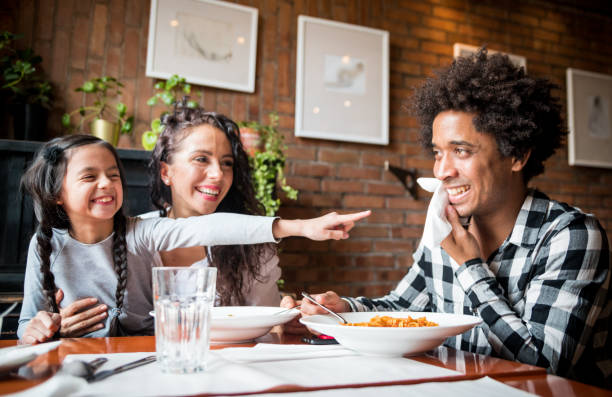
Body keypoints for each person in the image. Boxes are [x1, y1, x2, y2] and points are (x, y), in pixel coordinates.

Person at [282, 48, 611, 387]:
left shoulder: (570, 235)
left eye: (461, 151)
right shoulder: (444, 231)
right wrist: (343, 310)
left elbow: (543, 364)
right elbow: (404, 308)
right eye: (438, 153)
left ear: (516, 154)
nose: (442, 170)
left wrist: (470, 267)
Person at [18, 134, 370, 344]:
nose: (107, 184)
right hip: (82, 363)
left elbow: (213, 226)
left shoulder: (141, 232)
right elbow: (27, 327)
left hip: (148, 355)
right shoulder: (45, 245)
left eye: (113, 175)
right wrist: (42, 329)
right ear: (57, 193)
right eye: (89, 177)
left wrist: (300, 227)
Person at [141, 102, 281, 307]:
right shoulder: (133, 236)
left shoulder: (250, 246)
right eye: (201, 159)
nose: (218, 174)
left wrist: (291, 317)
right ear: (165, 172)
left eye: (227, 163)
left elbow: (271, 323)